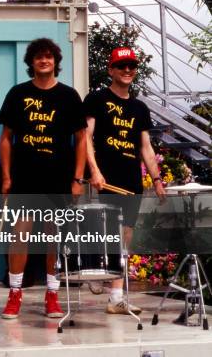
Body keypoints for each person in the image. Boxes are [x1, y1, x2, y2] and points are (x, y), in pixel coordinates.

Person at [0, 38, 87, 319]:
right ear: (31, 62)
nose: (44, 61)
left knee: (53, 238)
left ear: (55, 61)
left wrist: (77, 179)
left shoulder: (69, 96)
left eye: (49, 56)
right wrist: (7, 176)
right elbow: (6, 138)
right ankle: (15, 293)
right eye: (38, 57)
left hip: (58, 177)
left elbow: (81, 139)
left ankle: (52, 294)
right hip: (25, 177)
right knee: (20, 235)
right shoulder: (17, 94)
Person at [84, 46, 166, 315]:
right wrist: (94, 170)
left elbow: (145, 146)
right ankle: (94, 274)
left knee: (124, 236)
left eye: (132, 66)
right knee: (106, 234)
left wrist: (156, 178)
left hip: (131, 180)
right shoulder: (97, 99)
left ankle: (116, 297)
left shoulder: (139, 108)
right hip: (105, 179)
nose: (128, 70)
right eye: (122, 66)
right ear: (111, 70)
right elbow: (86, 137)